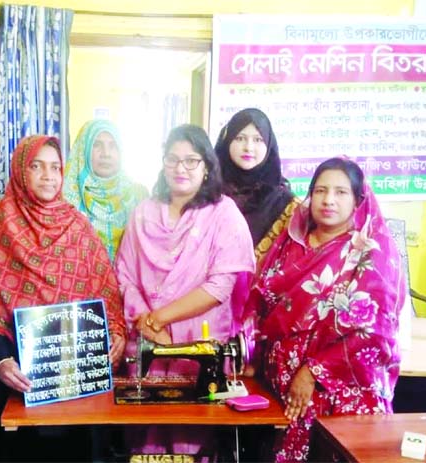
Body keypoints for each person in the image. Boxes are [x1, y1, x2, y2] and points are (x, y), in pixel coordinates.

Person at [0, 135, 127, 462]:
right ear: (20, 170)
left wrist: (117, 333)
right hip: (19, 378)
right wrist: (1, 361)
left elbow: (105, 289)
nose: (48, 176)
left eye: (55, 167)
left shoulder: (77, 226)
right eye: (36, 166)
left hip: (75, 378)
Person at [245, 157, 405, 462]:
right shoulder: (290, 243)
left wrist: (312, 372)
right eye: (320, 190)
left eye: (340, 192)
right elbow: (262, 303)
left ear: (358, 200)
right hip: (279, 393)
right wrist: (255, 357)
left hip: (336, 392)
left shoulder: (369, 252)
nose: (328, 200)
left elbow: (375, 332)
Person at [115, 124, 255, 457]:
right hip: (147, 340)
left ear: (206, 166)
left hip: (198, 338)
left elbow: (220, 286)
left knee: (194, 438)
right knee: (145, 440)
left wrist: (160, 318)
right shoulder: (143, 213)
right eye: (172, 159)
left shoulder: (223, 214)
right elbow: (125, 276)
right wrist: (147, 323)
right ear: (163, 164)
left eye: (191, 160)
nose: (181, 168)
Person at [214, 108, 298, 264]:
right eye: (240, 138)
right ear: (227, 141)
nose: (248, 147)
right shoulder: (208, 192)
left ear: (269, 144)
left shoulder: (284, 203)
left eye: (258, 140)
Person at [62, 119, 148, 260]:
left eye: (113, 146)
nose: (106, 153)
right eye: (97, 145)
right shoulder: (65, 200)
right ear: (83, 151)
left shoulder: (138, 197)